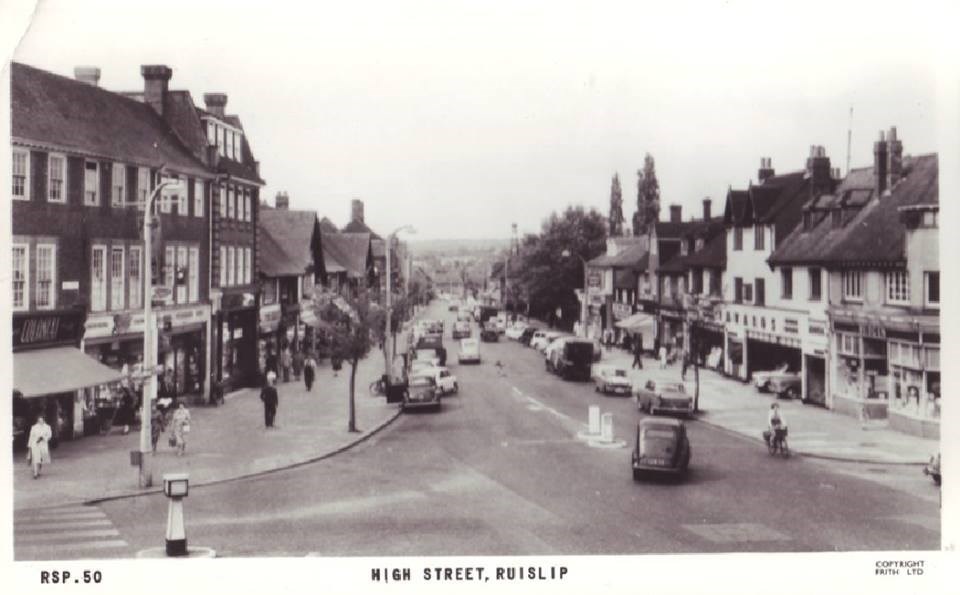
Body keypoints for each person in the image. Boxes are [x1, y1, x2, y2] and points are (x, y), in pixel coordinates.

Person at [27, 414, 52, 479]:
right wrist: (29, 446)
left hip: (43, 445)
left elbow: (49, 435)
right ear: (37, 421)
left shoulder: (47, 427)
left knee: (41, 459)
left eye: (42, 420)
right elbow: (31, 437)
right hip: (35, 444)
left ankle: (39, 470)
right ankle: (35, 473)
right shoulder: (34, 427)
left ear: (44, 420)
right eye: (39, 420)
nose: (40, 422)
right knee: (36, 458)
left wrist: (43, 437)